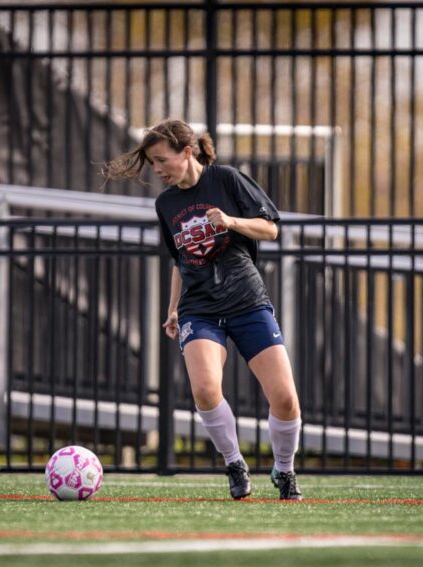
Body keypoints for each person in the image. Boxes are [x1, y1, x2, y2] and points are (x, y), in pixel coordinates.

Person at [102, 119, 303, 500]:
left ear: (187, 152)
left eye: (162, 160)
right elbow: (179, 259)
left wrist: (230, 221)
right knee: (206, 389)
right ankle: (233, 462)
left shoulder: (226, 179)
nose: (157, 170)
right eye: (151, 163)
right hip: (200, 309)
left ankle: (285, 469)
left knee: (285, 398)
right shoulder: (166, 204)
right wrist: (174, 308)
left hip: (247, 300)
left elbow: (271, 229)